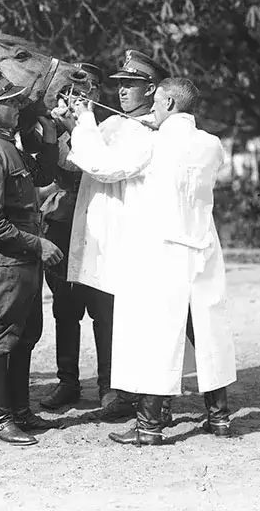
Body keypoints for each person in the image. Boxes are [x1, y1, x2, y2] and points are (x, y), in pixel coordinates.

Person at [63, 77, 237, 446]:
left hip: (161, 253)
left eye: (156, 103)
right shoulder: (212, 145)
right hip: (202, 250)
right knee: (206, 333)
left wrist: (84, 120)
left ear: (170, 104)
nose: (152, 110)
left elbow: (102, 165)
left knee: (153, 337)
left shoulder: (151, 143)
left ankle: (149, 427)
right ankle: (219, 418)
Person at [60, 50, 171, 420]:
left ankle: (145, 398)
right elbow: (73, 159)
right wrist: (67, 122)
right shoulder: (112, 124)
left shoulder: (149, 131)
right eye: (120, 84)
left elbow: (105, 166)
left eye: (131, 84)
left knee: (134, 322)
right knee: (109, 318)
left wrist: (84, 121)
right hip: (102, 240)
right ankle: (117, 390)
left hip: (130, 241)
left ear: (151, 89)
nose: (122, 90)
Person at [0, 71, 63, 446]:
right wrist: (38, 245)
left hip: (22, 257)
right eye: (12, 103)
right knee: (3, 337)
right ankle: (0, 419)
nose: (19, 108)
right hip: (7, 258)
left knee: (26, 334)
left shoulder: (9, 147)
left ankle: (20, 411)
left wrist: (50, 136)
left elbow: (43, 174)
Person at [38, 62, 121, 412]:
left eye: (85, 90)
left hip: (99, 229)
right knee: (65, 309)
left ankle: (109, 385)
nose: (76, 97)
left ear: (96, 94)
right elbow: (47, 171)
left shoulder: (110, 131)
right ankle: (68, 383)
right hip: (63, 226)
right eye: (71, 91)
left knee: (104, 310)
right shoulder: (53, 131)